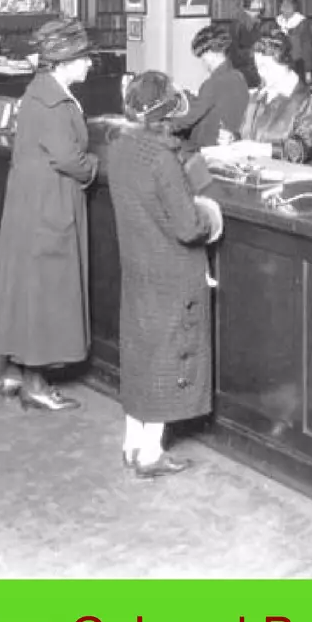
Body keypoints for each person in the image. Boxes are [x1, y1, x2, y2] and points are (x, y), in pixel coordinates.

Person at [107, 71, 225, 479]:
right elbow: (188, 226)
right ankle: (151, 454)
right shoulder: (162, 159)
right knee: (168, 355)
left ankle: (132, 443)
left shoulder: (120, 148)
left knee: (140, 352)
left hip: (138, 266)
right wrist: (210, 214)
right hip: (172, 271)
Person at [0, 17, 99, 413]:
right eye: (84, 58)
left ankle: (13, 370)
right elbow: (69, 158)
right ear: (66, 61)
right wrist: (95, 168)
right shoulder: (55, 101)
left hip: (28, 203)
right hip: (50, 204)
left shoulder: (39, 90)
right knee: (45, 291)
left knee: (24, 286)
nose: (89, 64)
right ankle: (36, 383)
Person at [237, 28, 312, 162]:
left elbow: (302, 150)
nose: (261, 74)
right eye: (258, 68)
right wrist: (232, 139)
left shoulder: (306, 100)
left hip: (292, 179)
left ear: (284, 63)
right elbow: (245, 135)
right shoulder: (258, 97)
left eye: (266, 67)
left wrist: (260, 149)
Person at [172, 21, 248, 154]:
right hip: (230, 145)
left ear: (212, 53)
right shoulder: (238, 77)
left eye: (202, 56)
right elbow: (213, 104)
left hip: (207, 149)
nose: (203, 61)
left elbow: (188, 119)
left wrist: (158, 124)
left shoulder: (213, 83)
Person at [230, 0, 272, 88]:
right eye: (257, 2)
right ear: (248, 8)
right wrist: (254, 51)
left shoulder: (254, 23)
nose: (260, 3)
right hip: (244, 72)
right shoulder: (239, 25)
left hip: (254, 68)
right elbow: (234, 53)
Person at [275, 0, 312, 80]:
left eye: (286, 6)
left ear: (294, 7)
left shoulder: (301, 23)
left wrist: (308, 70)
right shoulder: (279, 21)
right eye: (281, 6)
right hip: (280, 64)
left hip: (297, 64)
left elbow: (307, 48)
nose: (282, 9)